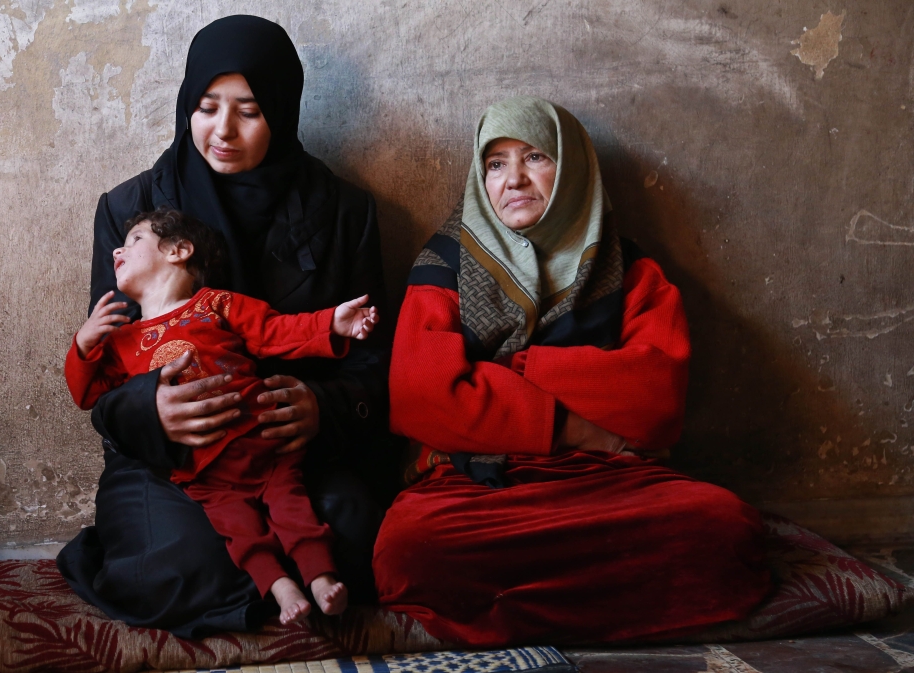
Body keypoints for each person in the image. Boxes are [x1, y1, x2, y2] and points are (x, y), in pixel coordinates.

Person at [374, 96, 772, 647]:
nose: (513, 179)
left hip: (607, 483)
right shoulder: (445, 263)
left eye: (535, 157)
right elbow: (422, 396)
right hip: (477, 482)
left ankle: (511, 611)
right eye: (495, 163)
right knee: (410, 547)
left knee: (726, 528)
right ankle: (624, 607)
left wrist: (519, 366)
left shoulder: (628, 268)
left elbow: (656, 397)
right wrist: (582, 428)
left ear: (574, 168)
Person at [56, 15, 393, 638]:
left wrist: (323, 408)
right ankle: (281, 592)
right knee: (174, 564)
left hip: (287, 453)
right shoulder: (131, 213)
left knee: (360, 535)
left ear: (284, 112)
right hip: (173, 463)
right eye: (208, 108)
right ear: (187, 105)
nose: (224, 132)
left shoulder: (344, 211)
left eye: (250, 111)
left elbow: (375, 363)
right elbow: (102, 376)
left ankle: (287, 586)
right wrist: (151, 412)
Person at [65, 209, 380, 623]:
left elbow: (276, 332)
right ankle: (283, 591)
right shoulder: (121, 341)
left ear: (179, 250)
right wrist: (84, 346)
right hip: (202, 469)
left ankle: (321, 579)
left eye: (136, 239)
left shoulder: (215, 303)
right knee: (238, 530)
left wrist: (331, 324)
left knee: (293, 507)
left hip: (261, 439)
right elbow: (88, 394)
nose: (118, 249)